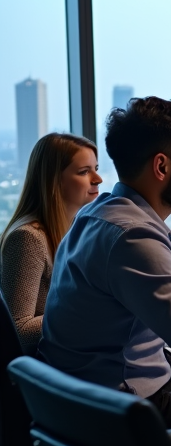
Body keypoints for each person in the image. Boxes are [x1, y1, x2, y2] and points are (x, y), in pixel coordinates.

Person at [38, 96, 171, 428]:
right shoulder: (133, 237)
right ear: (162, 167)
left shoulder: (97, 213)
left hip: (89, 392)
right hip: (126, 408)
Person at [0, 134, 102, 352]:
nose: (97, 179)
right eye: (84, 172)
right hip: (49, 370)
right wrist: (88, 309)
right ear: (54, 180)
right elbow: (18, 329)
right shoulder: (28, 238)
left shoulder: (77, 229)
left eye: (96, 168)